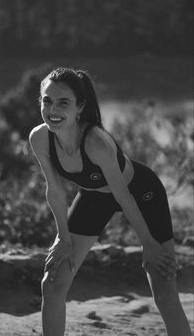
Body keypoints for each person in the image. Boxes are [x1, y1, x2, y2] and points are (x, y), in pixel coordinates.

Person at [29, 67, 191, 336]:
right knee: (53, 282)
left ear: (80, 107)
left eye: (63, 102)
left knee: (163, 286)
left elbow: (123, 196)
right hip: (94, 196)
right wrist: (63, 238)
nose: (52, 109)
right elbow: (54, 191)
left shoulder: (96, 142)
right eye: (47, 100)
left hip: (139, 192)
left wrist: (149, 245)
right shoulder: (40, 138)